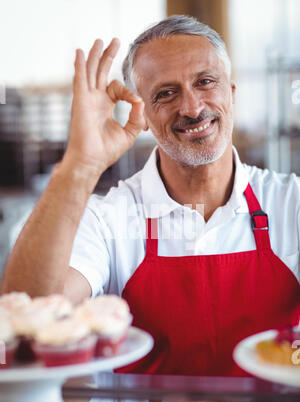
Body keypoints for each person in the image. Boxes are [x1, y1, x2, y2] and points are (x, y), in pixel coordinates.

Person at [1, 15, 300, 376]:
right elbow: (24, 323)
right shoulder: (108, 219)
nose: (192, 108)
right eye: (165, 93)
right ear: (140, 113)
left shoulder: (292, 204)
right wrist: (79, 165)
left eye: (205, 82)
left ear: (231, 93)